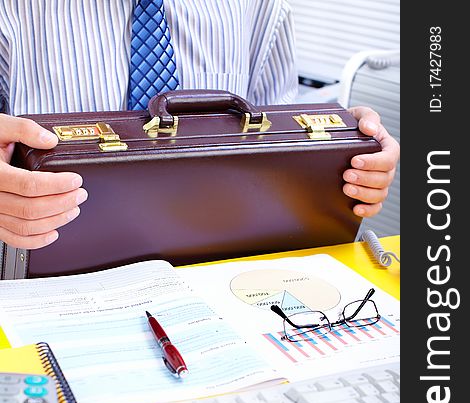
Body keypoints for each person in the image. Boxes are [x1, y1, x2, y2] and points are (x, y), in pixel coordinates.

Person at [0, 0, 399, 250]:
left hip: (220, 271)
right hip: (47, 281)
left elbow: (275, 130)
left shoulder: (257, 6)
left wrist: (345, 143)